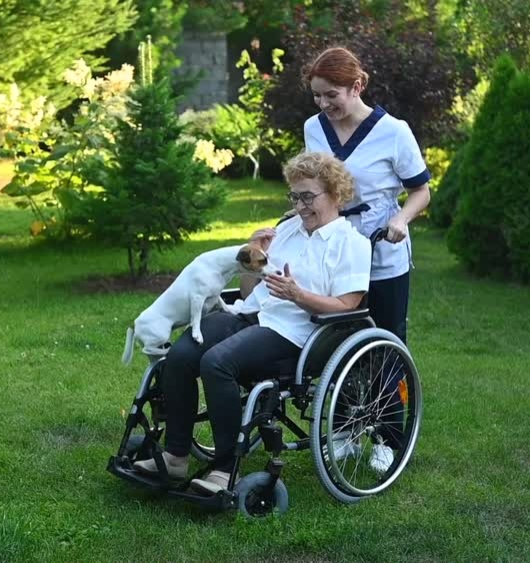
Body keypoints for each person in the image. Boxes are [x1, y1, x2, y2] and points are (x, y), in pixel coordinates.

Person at [132, 152, 372, 494]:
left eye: (308, 197)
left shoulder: (352, 245)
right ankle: (175, 455)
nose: (300, 206)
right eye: (294, 196)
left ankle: (225, 468)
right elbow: (252, 289)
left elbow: (348, 305)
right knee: (182, 355)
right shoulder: (286, 231)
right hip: (249, 314)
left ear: (335, 194)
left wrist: (299, 296)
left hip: (298, 333)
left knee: (218, 362)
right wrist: (251, 258)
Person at [303, 47, 431, 344]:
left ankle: (391, 391)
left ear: (356, 87)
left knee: (385, 335)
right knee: (335, 335)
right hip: (332, 248)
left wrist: (401, 219)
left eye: (331, 95)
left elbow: (421, 191)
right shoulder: (314, 128)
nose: (323, 104)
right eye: (316, 96)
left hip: (382, 247)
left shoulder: (394, 132)